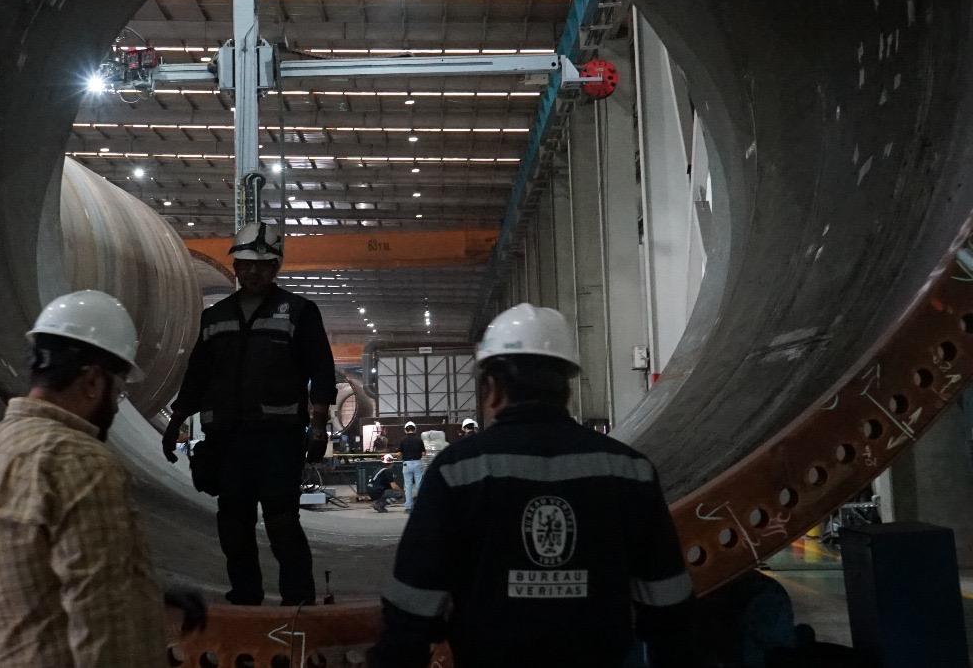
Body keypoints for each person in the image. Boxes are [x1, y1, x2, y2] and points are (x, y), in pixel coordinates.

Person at [368, 304, 696, 668]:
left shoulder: (457, 470)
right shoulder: (628, 470)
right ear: (566, 386)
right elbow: (669, 602)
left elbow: (414, 602)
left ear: (491, 387)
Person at [0, 290, 205, 667]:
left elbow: (33, 584)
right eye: (117, 392)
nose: (114, 404)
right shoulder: (79, 460)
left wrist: (149, 603)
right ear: (92, 381)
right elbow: (102, 622)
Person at [162, 222, 337, 606]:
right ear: (236, 266)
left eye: (263, 265)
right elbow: (197, 374)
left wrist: (319, 428)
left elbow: (322, 372)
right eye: (245, 264)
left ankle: (298, 599)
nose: (253, 271)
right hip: (227, 439)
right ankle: (245, 594)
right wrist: (175, 420)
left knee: (281, 522)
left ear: (276, 268)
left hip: (278, 438)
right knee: (233, 522)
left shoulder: (300, 312)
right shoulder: (215, 317)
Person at [397, 420, 425, 513]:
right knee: (419, 485)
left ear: (405, 430)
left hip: (407, 464)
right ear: (415, 429)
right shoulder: (419, 439)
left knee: (408, 486)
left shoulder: (402, 440)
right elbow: (424, 453)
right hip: (417, 463)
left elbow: (399, 453)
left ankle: (408, 507)